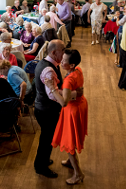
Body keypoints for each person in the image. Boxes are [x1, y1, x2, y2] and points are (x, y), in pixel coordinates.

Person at [33, 39, 83, 178]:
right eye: (63, 49)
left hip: (43, 108)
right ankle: (40, 166)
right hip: (46, 110)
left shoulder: (49, 64)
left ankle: (43, 160)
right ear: (54, 52)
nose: (65, 51)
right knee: (46, 139)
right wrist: (75, 94)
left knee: (47, 138)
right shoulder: (49, 70)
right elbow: (54, 96)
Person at [45, 49, 87, 185]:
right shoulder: (78, 71)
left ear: (72, 65)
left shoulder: (68, 80)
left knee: (69, 142)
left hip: (72, 111)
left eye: (64, 61)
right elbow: (79, 90)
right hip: (80, 105)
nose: (61, 62)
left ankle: (78, 174)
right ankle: (70, 162)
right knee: (72, 137)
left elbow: (63, 102)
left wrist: (52, 88)